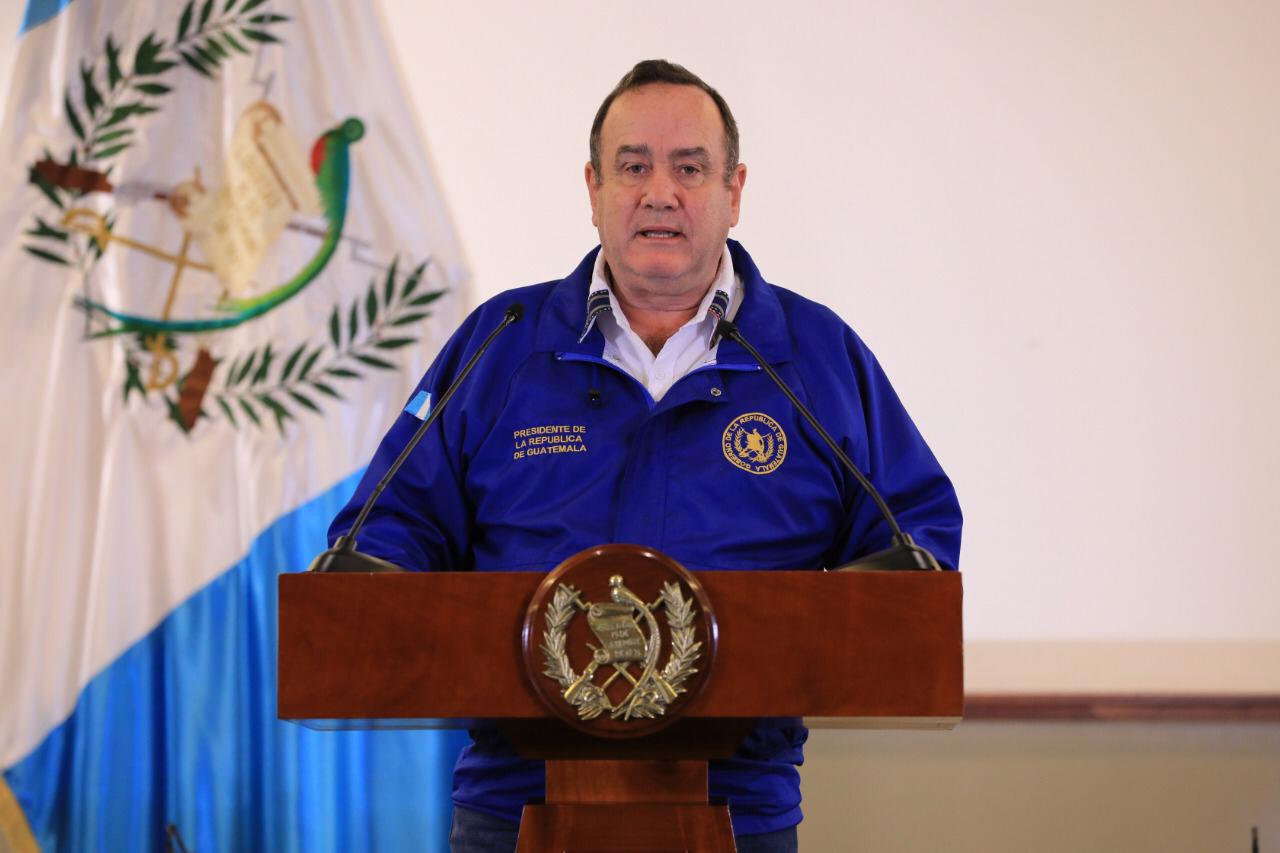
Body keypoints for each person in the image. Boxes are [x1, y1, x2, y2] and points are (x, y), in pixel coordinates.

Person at [329, 59, 962, 853]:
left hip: (739, 810)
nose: (660, 192)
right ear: (593, 189)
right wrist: (374, 587)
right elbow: (388, 529)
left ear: (734, 192)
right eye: (633, 167)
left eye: (689, 168)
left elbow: (912, 545)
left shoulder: (817, 355)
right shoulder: (502, 342)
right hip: (512, 809)